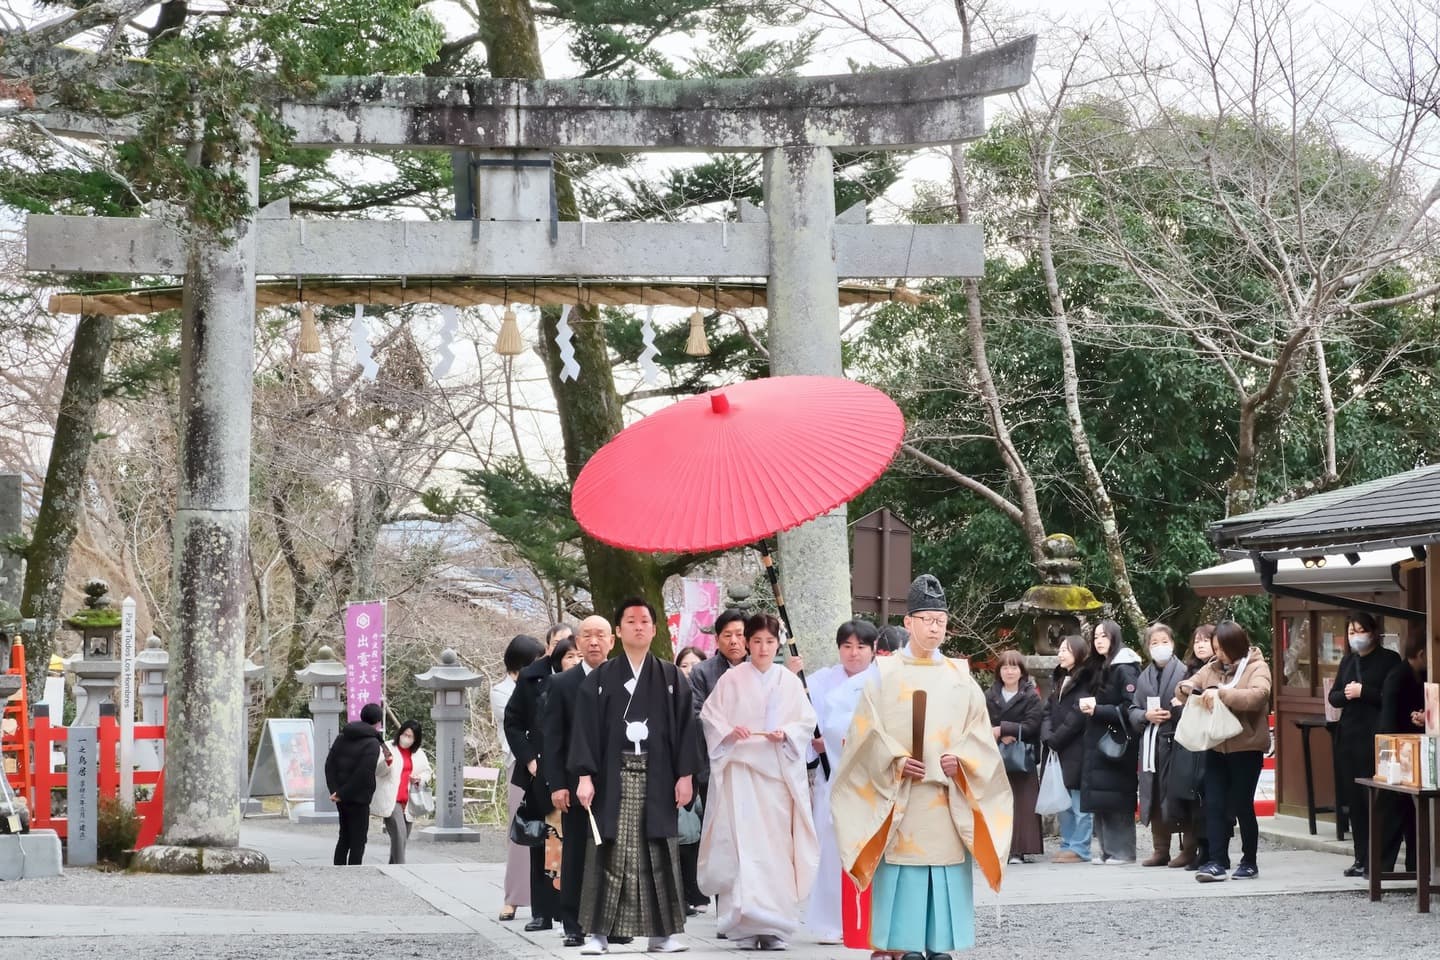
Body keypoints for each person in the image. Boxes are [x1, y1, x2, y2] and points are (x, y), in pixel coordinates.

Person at [832, 575, 1011, 960]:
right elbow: (864, 735)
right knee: (905, 884)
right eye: (926, 619)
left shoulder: (961, 677)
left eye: (941, 620)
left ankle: (941, 949)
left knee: (945, 883)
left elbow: (979, 734)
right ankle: (905, 948)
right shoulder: (882, 674)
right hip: (902, 800)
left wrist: (961, 760)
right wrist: (895, 761)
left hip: (947, 800)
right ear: (908, 622)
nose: (934, 627)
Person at [571, 596, 698, 956]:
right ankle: (598, 933)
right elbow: (584, 730)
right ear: (618, 630)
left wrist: (685, 775)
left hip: (659, 777)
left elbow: (688, 729)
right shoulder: (599, 679)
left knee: (658, 852)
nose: (638, 626)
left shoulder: (672, 677)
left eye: (644, 621)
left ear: (655, 629)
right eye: (630, 621)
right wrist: (584, 776)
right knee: (609, 852)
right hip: (614, 776)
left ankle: (662, 934)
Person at [698, 613, 820, 950]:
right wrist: (729, 731)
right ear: (747, 643)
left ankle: (777, 924)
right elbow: (711, 717)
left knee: (776, 848)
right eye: (756, 641)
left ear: (778, 643)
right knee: (745, 848)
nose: (763, 648)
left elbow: (805, 720)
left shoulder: (788, 680)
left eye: (769, 641)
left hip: (777, 774)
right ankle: (744, 925)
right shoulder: (732, 679)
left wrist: (789, 733)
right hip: (742, 773)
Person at [1178, 620, 1272, 882]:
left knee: (1242, 805)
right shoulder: (1212, 668)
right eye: (1215, 648)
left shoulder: (1256, 666)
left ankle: (1249, 861)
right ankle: (1217, 861)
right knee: (1214, 804)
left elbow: (1258, 696)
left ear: (1235, 645)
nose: (1217, 653)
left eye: (1220, 648)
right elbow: (1190, 685)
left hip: (1247, 747)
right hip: (1216, 746)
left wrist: (1222, 694)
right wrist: (1187, 688)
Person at [803, 619, 879, 944]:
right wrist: (815, 741)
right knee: (831, 847)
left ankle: (873, 917)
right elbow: (806, 721)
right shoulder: (820, 681)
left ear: (873, 649)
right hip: (831, 776)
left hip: (872, 780)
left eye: (861, 646)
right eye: (847, 646)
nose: (854, 653)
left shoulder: (883, 681)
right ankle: (832, 921)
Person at [543, 615, 615, 948]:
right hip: (574, 783)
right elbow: (553, 740)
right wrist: (557, 784)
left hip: (616, 780)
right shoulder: (562, 684)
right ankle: (573, 922)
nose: (594, 642)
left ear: (612, 641)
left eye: (601, 635)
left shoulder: (623, 680)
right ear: (577, 643)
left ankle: (613, 921)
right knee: (575, 851)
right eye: (587, 636)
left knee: (615, 851)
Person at [1327, 610, 1401, 878]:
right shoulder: (1348, 661)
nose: (1356, 637)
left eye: (1360, 631)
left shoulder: (1390, 660)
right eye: (1351, 632)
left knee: (1377, 801)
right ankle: (1360, 857)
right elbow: (1334, 696)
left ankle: (1377, 859)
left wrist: (1364, 692)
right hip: (1349, 736)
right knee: (1355, 801)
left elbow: (1392, 697)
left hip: (1377, 736)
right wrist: (1346, 694)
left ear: (1373, 632)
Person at [506, 629, 569, 931]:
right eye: (558, 644)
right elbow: (513, 721)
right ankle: (542, 911)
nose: (565, 649)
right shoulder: (532, 676)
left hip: (574, 770)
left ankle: (571, 908)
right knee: (542, 841)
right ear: (548, 647)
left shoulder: (587, 675)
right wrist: (529, 758)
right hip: (539, 768)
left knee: (573, 841)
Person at [1078, 619, 1142, 864]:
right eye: (1096, 637)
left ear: (1115, 637)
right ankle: (1107, 850)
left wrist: (1098, 709)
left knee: (1116, 796)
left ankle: (1123, 852)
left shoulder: (1125, 667)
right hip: (1099, 740)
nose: (1099, 641)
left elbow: (1130, 707)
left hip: (1116, 740)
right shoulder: (1101, 666)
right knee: (1102, 796)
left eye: (1104, 636)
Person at [1128, 623, 1191, 867]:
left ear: (1173, 643)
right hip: (1151, 743)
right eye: (1154, 643)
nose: (1160, 647)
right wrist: (1145, 716)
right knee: (1152, 793)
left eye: (1164, 641)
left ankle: (1188, 847)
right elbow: (1132, 709)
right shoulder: (1144, 676)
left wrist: (1174, 711)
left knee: (1180, 793)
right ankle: (1160, 848)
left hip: (1176, 741)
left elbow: (1192, 703)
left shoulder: (1184, 672)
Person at [495, 633, 545, 921]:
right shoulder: (501, 691)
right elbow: (520, 725)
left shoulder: (540, 684)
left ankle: (549, 897)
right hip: (520, 764)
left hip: (548, 762)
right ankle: (513, 897)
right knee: (520, 830)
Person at [1162, 624, 1214, 870]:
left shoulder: (1217, 670)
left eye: (1206, 640)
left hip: (1209, 740)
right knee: (1186, 795)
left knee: (1205, 797)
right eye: (1197, 640)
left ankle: (1207, 850)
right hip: (1187, 741)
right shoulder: (1189, 670)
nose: (1200, 644)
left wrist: (1185, 703)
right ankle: (1189, 847)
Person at [1041, 633, 1096, 864]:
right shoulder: (1059, 677)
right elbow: (1047, 710)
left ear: (1078, 653)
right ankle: (1067, 843)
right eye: (1060, 649)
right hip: (1057, 748)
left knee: (1079, 802)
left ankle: (1080, 847)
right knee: (1062, 801)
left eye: (1066, 649)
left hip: (1077, 747)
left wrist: (1055, 738)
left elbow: (1077, 716)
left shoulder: (1087, 679)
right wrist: (1047, 735)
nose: (1060, 653)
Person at [986, 650, 1044, 864]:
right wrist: (997, 734)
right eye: (1005, 667)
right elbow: (980, 721)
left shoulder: (1030, 695)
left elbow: (1033, 725)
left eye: (1014, 667)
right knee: (997, 801)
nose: (1009, 672)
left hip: (1022, 756)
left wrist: (1004, 730)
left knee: (1022, 804)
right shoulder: (990, 694)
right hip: (996, 754)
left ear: (1021, 671)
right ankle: (998, 847)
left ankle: (1019, 849)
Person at [1379, 634, 1427, 872]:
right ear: (1420, 654)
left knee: (1414, 815)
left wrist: (1423, 718)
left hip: (1419, 747)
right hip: (1398, 750)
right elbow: (1388, 721)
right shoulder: (1397, 677)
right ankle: (1382, 866)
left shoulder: (1425, 675)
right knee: (1396, 812)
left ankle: (1415, 865)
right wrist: (1391, 757)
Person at [671, 644, 710, 915]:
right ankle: (680, 895)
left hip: (705, 768)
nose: (690, 670)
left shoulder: (709, 694)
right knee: (681, 834)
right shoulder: (669, 694)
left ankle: (697, 892)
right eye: (684, 665)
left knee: (699, 834)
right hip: (680, 769)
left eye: (695, 665)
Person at [324, 701, 385, 866]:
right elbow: (364, 774)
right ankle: (353, 871)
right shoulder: (372, 743)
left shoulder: (343, 736)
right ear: (378, 722)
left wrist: (336, 791)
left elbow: (330, 765)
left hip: (340, 798)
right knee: (358, 838)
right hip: (358, 798)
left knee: (344, 835)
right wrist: (342, 793)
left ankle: (338, 868)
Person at [372, 719, 432, 865]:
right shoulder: (388, 747)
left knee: (402, 838)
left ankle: (393, 867)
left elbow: (427, 772)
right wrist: (387, 762)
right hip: (392, 799)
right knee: (399, 834)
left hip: (409, 800)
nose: (406, 738)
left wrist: (420, 779)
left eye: (410, 736)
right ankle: (401, 867)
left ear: (416, 739)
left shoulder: (418, 754)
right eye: (405, 734)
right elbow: (378, 771)